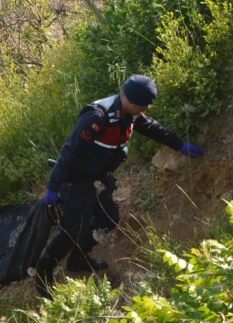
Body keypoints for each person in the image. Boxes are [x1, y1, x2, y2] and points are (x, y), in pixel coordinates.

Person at [35, 75, 204, 299]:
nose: (147, 108)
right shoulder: (97, 117)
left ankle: (78, 257)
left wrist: (178, 144)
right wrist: (53, 187)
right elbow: (69, 152)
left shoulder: (130, 114)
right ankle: (43, 272)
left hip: (99, 176)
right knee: (72, 228)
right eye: (145, 104)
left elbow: (151, 127)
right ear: (133, 101)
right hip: (76, 179)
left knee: (109, 218)